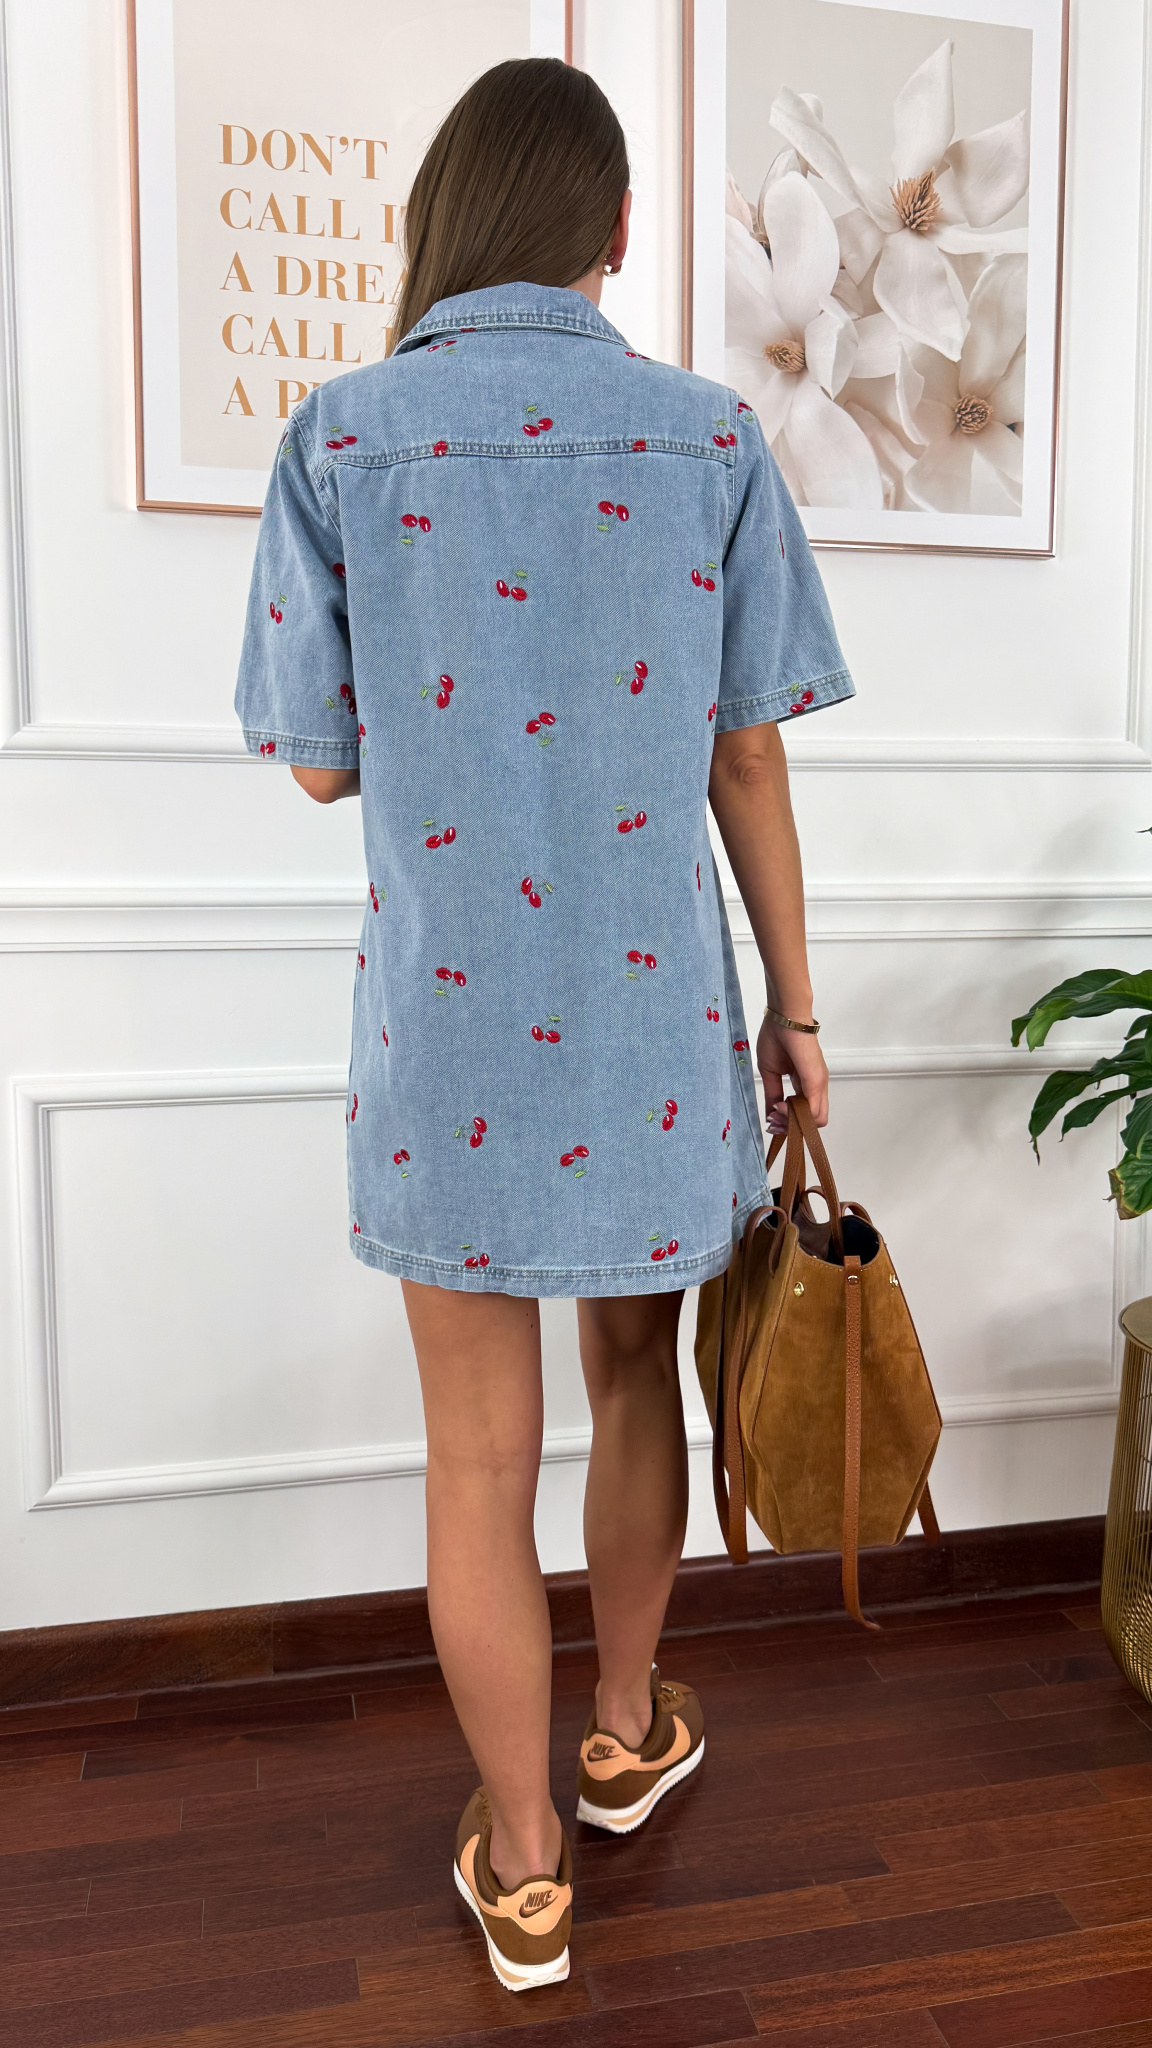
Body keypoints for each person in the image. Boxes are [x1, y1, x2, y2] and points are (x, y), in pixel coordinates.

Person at [235, 56, 850, 1995]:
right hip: (653, 1020)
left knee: (472, 1460)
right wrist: (798, 1011)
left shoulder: (343, 434)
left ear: (446, 216)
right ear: (618, 229)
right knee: (634, 1384)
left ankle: (522, 1870)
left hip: (449, 1036)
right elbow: (747, 759)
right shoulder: (711, 437)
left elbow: (320, 764)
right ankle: (625, 1732)